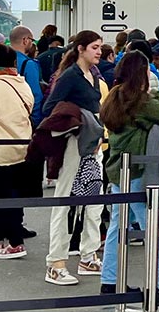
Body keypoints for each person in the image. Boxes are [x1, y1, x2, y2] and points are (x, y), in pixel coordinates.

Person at [99, 50, 159, 296]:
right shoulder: (142, 100)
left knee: (118, 227)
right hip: (141, 171)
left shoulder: (114, 97)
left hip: (119, 170)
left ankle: (110, 280)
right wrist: (156, 95)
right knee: (154, 226)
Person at [42, 30, 105, 286]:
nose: (99, 51)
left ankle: (88, 256)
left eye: (100, 47)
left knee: (95, 201)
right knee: (64, 201)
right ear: (80, 48)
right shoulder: (70, 76)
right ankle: (55, 263)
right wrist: (79, 120)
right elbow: (50, 109)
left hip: (92, 145)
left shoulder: (91, 75)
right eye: (94, 47)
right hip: (73, 144)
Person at [0, 43, 36, 260]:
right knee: (13, 197)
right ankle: (6, 239)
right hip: (21, 148)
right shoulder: (24, 87)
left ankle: (9, 241)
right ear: (15, 64)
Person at [0, 26, 43, 124]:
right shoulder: (28, 64)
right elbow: (35, 95)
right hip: (19, 122)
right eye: (32, 40)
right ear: (25, 40)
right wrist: (34, 122)